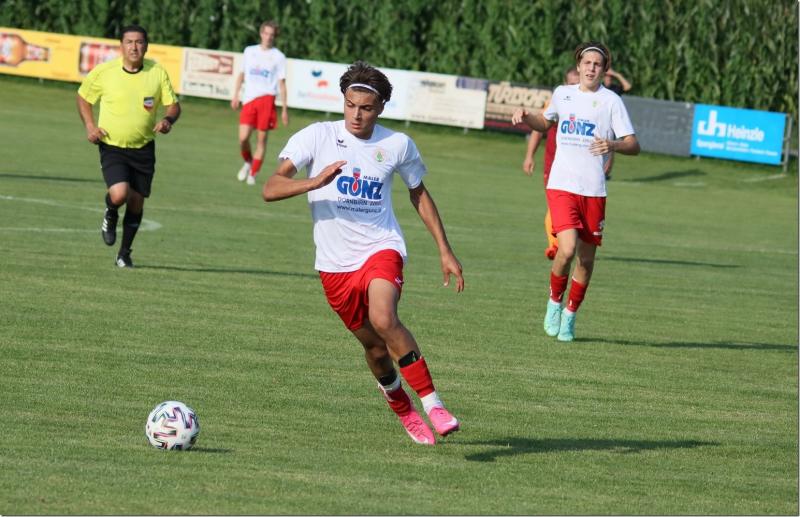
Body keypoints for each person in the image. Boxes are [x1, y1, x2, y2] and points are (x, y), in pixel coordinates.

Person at [262, 61, 464, 445]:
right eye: (351, 105)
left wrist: (444, 249)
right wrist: (315, 180)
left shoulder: (397, 144)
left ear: (381, 107)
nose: (357, 114)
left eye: (366, 108)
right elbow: (270, 188)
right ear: (343, 100)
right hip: (334, 265)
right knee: (375, 348)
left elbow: (418, 192)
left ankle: (434, 404)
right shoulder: (317, 136)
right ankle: (401, 405)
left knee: (385, 317)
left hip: (381, 246)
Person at [511, 42, 640, 342]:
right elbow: (545, 122)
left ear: (604, 69)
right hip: (562, 185)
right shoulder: (562, 93)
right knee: (566, 249)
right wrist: (526, 115)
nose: (591, 67)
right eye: (587, 62)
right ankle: (554, 303)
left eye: (597, 63)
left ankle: (570, 314)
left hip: (593, 190)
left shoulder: (611, 102)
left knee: (586, 259)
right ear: (578, 65)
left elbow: (633, 143)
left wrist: (614, 145)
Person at [77, 24, 180, 268]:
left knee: (136, 202)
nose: (134, 47)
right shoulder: (105, 72)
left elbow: (173, 105)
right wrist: (90, 126)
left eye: (139, 42)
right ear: (121, 45)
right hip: (112, 145)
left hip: (144, 147)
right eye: (129, 42)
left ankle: (124, 254)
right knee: (120, 194)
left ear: (147, 46)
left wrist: (167, 120)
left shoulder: (157, 72)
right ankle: (111, 211)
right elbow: (83, 97)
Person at [521, 66, 580, 260]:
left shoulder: (590, 104)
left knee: (576, 208)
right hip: (554, 166)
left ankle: (568, 243)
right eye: (571, 83)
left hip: (580, 168)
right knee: (555, 206)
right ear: (565, 84)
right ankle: (555, 246)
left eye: (577, 83)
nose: (575, 87)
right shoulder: (557, 101)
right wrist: (530, 156)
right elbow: (539, 129)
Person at [231, 20, 289, 186]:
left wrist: (284, 109)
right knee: (243, 138)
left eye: (272, 34)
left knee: (261, 140)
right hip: (249, 99)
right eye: (266, 33)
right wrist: (235, 95)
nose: (268, 37)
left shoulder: (279, 57)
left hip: (267, 100)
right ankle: (248, 162)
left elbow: (282, 84)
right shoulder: (249, 51)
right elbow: (241, 75)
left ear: (274, 36)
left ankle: (253, 174)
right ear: (261, 33)